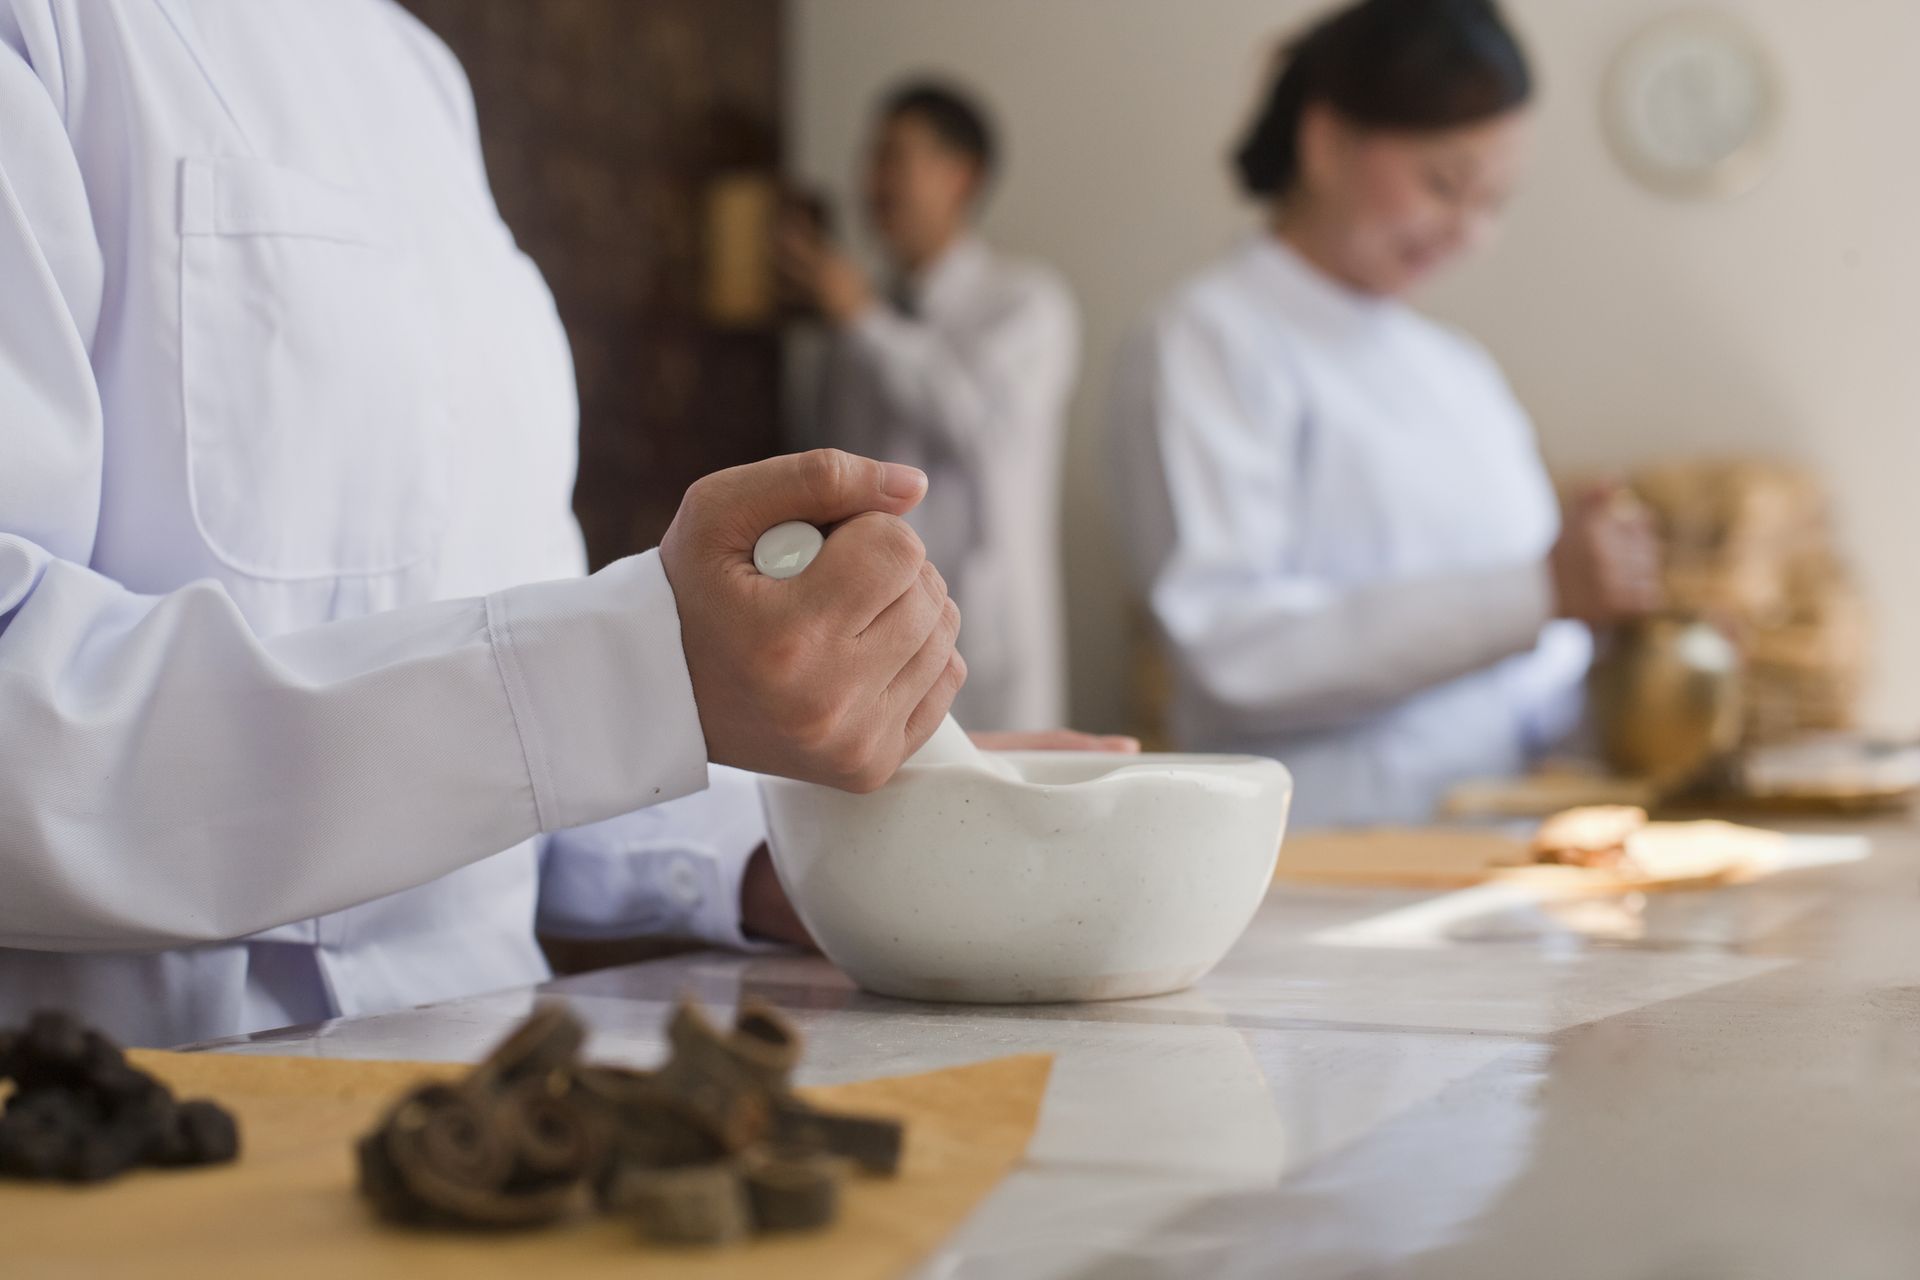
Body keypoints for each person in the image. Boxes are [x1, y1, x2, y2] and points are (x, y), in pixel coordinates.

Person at [0, 0, 1129, 1049]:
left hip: (506, 1107)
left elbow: (499, 741)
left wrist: (793, 839)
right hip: (140, 1124)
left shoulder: (419, 76)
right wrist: (640, 672)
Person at [1110, 0, 1661, 829]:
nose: (1468, 231)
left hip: (1499, 857)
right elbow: (1233, 652)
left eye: (1496, 202)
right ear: (1327, 141)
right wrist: (1539, 590)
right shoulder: (1209, 338)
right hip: (1314, 864)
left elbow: (1528, 674)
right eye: (1445, 184)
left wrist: (1631, 648)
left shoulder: (1460, 371)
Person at [782, 80, 1080, 732]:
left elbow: (981, 429)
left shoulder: (1027, 304)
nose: (872, 181)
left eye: (894, 158)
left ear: (961, 176)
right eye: (870, 159)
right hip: (869, 642)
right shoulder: (851, 333)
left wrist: (864, 318)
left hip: (988, 647)